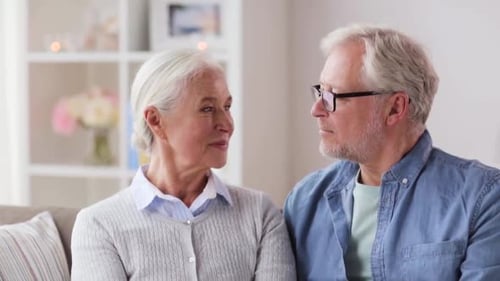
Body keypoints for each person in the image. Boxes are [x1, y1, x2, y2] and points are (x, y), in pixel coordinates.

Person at [284, 23, 500, 280]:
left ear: (395, 108)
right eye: (320, 91)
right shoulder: (304, 201)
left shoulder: (484, 198)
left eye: (334, 95)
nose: (317, 109)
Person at [71, 49, 296, 281]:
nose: (227, 124)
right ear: (156, 120)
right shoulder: (99, 225)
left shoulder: (260, 214)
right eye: (207, 109)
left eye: (227, 107)